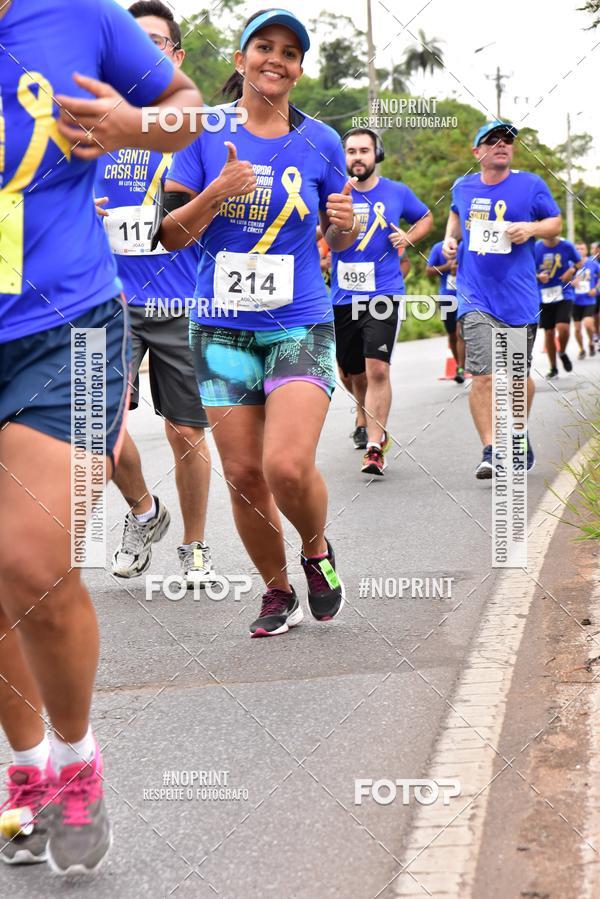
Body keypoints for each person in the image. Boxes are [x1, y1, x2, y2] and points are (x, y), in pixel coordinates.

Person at [0, 0, 201, 874]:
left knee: (30, 560)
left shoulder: (77, 14)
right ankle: (25, 767)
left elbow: (187, 107)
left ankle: (77, 759)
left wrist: (136, 124)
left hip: (69, 327)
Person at [159, 9, 359, 637]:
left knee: (286, 467)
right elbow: (167, 236)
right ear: (241, 59)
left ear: (299, 69)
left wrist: (345, 228)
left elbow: (336, 232)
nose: (277, 58)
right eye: (264, 46)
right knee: (245, 476)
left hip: (298, 323)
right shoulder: (201, 133)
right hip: (220, 329)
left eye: (290, 52)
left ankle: (317, 549)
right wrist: (217, 190)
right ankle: (277, 592)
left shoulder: (322, 142)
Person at [94, 1, 215, 587]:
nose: (146, 53)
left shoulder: (195, 128)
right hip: (106, 300)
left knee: (187, 431)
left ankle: (193, 545)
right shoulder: (90, 125)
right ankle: (145, 512)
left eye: (158, 44)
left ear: (177, 56)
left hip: (181, 301)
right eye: (134, 42)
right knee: (97, 425)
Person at [443, 121, 561, 478]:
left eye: (507, 140)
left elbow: (554, 223)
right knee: (483, 375)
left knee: (516, 375)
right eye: (491, 140)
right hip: (476, 295)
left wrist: (532, 229)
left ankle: (518, 435)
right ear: (477, 152)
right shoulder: (463, 187)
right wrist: (451, 240)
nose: (501, 145)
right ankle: (492, 449)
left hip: (519, 296)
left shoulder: (530, 185)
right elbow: (453, 213)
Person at [330, 128, 432, 475]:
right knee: (349, 370)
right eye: (351, 151)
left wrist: (409, 235)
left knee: (377, 368)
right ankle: (362, 410)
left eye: (364, 150)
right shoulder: (335, 194)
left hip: (383, 292)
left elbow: (426, 217)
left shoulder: (398, 192)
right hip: (343, 296)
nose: (357, 157)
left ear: (377, 154)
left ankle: (374, 446)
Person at [534, 236, 581, 378]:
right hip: (544, 295)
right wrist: (538, 276)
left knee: (563, 327)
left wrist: (571, 271)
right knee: (549, 333)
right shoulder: (536, 247)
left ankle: (562, 352)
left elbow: (580, 262)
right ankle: (553, 368)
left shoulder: (566, 245)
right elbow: (526, 269)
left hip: (564, 292)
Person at [426, 240, 465, 382]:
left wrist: (460, 270)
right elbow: (429, 271)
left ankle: (461, 368)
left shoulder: (470, 242)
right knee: (452, 334)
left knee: (460, 332)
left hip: (466, 296)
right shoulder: (438, 247)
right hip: (447, 297)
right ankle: (459, 364)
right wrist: (447, 267)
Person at [572, 241, 599, 358]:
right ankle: (582, 349)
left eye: (582, 249)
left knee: (588, 324)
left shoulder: (592, 263)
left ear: (586, 250)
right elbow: (564, 279)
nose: (579, 251)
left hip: (589, 300)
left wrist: (596, 289)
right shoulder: (570, 264)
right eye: (577, 249)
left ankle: (591, 342)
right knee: (577, 329)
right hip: (575, 301)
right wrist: (571, 282)